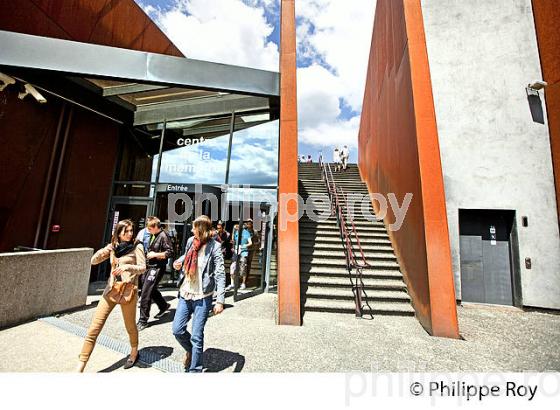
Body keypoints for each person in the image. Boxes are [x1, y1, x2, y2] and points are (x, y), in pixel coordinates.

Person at [76, 219, 145, 372]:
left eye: (131, 231)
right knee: (94, 328)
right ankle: (80, 366)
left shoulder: (137, 246)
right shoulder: (114, 247)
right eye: (125, 231)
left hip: (128, 291)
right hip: (111, 290)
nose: (129, 234)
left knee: (130, 326)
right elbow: (94, 260)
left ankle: (134, 351)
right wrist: (106, 250)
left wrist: (127, 266)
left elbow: (142, 268)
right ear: (118, 233)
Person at [172, 215, 225, 372]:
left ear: (201, 230)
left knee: (196, 335)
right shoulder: (191, 241)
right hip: (186, 293)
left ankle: (195, 369)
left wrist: (220, 300)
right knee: (177, 329)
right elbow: (188, 254)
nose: (192, 230)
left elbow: (220, 273)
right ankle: (191, 350)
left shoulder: (214, 246)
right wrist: (179, 261)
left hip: (202, 297)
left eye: (195, 227)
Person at [137, 216, 173, 331]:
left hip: (157, 267)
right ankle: (163, 305)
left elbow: (170, 252)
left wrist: (155, 255)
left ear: (155, 227)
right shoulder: (154, 235)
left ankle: (143, 320)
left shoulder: (163, 235)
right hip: (150, 266)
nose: (148, 230)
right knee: (148, 288)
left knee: (146, 292)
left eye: (149, 228)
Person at [225, 223, 252, 291]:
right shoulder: (236, 232)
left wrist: (244, 246)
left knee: (243, 267)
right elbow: (234, 241)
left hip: (243, 252)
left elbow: (250, 242)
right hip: (236, 251)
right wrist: (233, 247)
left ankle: (243, 283)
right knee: (232, 267)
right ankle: (232, 283)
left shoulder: (246, 233)